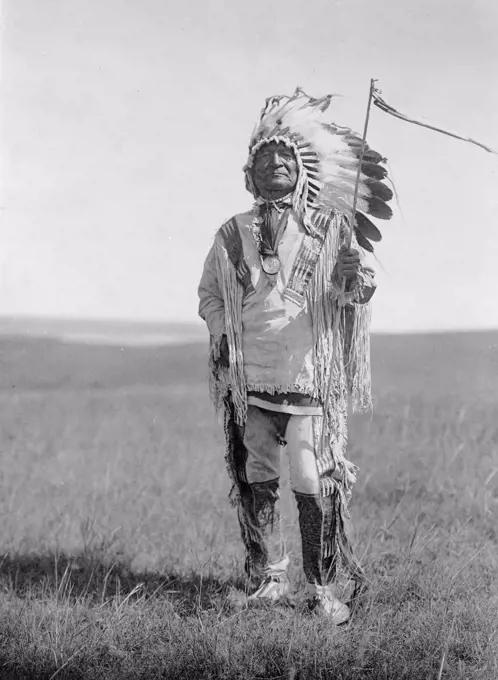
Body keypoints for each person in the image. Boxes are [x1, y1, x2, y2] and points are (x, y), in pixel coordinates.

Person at [198, 88, 393, 624]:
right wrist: (224, 332)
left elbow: (354, 293)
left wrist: (356, 281)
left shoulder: (331, 229)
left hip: (308, 372)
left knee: (311, 475)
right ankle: (269, 578)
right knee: (256, 469)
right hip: (250, 374)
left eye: (285, 158)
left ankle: (323, 586)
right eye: (265, 159)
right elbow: (210, 295)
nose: (276, 166)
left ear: (302, 169)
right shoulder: (229, 233)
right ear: (249, 172)